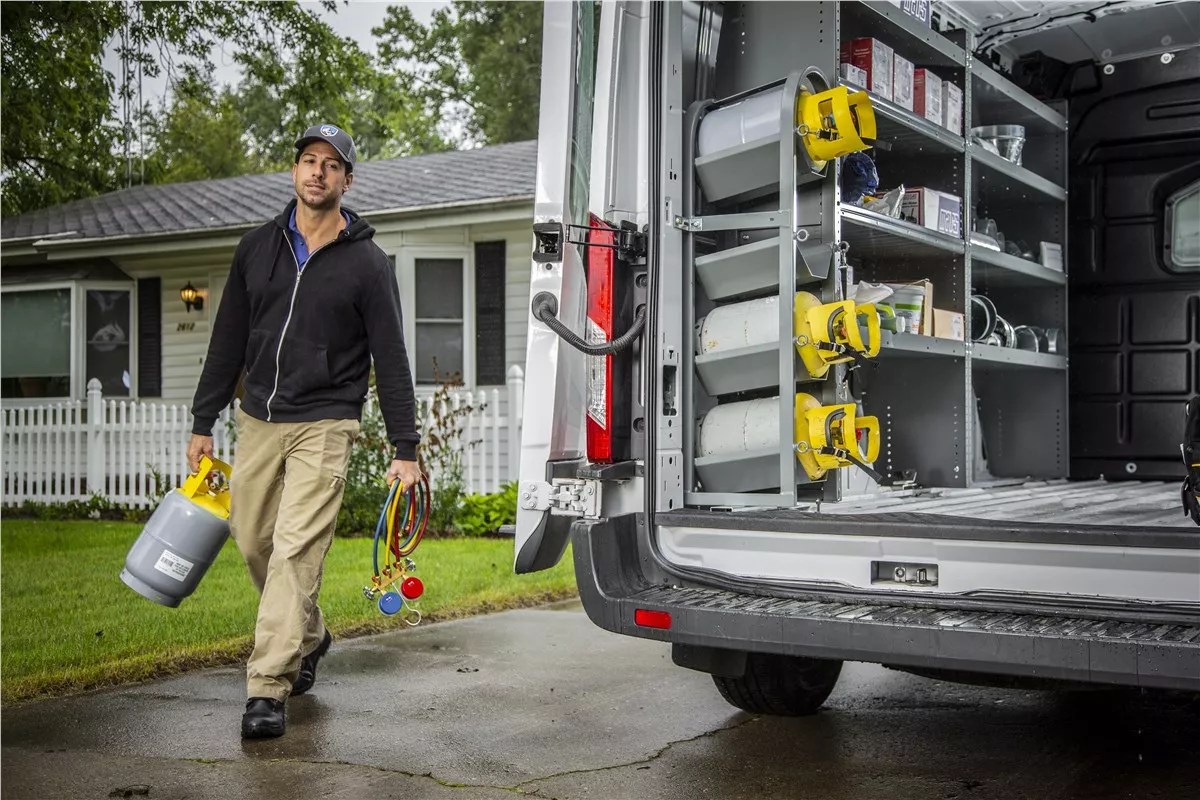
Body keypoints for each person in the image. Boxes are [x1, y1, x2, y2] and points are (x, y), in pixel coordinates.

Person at [188, 123, 421, 739]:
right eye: (308, 161)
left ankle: (267, 687)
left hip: (326, 421)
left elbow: (391, 357)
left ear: (347, 179)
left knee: (295, 551)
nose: (317, 172)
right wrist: (203, 419)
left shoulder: (369, 264)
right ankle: (310, 636)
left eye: (331, 164)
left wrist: (407, 447)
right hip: (259, 416)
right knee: (253, 543)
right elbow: (228, 340)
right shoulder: (256, 248)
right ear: (295, 172)